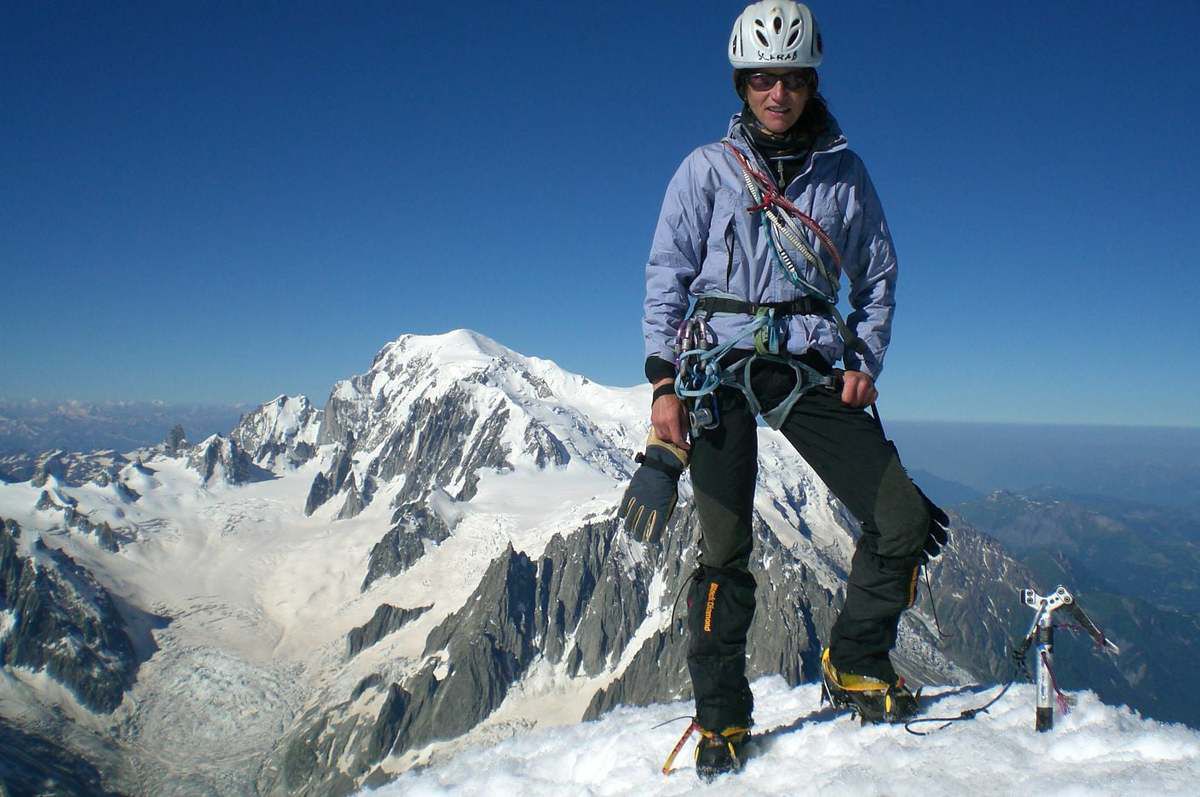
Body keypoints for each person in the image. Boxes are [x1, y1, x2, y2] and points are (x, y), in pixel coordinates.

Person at [619, 0, 949, 781]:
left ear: (810, 82)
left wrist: (865, 357)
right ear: (743, 84)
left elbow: (878, 274)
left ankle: (855, 658)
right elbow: (667, 278)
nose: (777, 94)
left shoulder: (845, 173)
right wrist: (663, 382)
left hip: (809, 365)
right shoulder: (704, 171)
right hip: (717, 372)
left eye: (792, 79)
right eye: (763, 78)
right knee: (725, 550)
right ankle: (723, 715)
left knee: (900, 517)